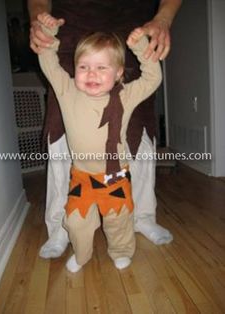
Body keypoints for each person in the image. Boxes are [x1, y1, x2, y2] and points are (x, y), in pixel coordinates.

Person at [28, 0, 182, 259]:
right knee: (58, 131)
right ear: (76, 70)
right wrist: (48, 32)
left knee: (139, 129)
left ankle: (141, 218)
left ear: (118, 74)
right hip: (72, 23)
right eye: (84, 68)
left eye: (101, 69)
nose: (91, 74)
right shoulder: (68, 90)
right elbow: (50, 66)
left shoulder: (124, 95)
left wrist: (144, 43)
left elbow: (152, 79)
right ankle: (60, 227)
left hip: (130, 24)